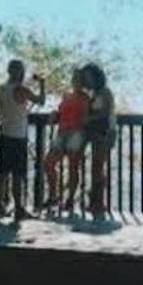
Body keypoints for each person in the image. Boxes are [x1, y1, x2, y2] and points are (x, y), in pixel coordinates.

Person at [0, 59, 45, 220]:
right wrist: (42, 84)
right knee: (17, 174)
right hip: (18, 136)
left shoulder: (1, 89)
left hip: (4, 134)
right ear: (18, 72)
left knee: (2, 172)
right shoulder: (21, 89)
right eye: (21, 70)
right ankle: (18, 208)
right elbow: (40, 101)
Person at [43, 68, 90, 213]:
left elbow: (88, 118)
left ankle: (69, 200)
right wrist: (54, 114)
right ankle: (53, 197)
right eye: (74, 78)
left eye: (79, 79)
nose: (75, 81)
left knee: (73, 167)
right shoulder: (66, 96)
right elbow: (61, 112)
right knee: (48, 163)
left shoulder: (86, 98)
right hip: (62, 133)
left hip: (76, 135)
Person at [81, 63, 116, 219]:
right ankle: (95, 201)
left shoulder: (105, 92)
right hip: (94, 132)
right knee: (95, 166)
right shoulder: (93, 93)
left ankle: (99, 202)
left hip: (104, 132)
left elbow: (106, 112)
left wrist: (89, 118)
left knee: (98, 166)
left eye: (89, 76)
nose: (87, 80)